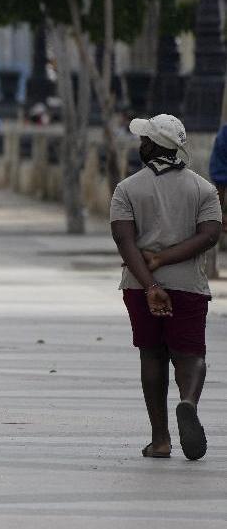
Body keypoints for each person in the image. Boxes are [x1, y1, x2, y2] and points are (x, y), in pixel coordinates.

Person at [111, 114, 221, 461]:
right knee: (191, 355)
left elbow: (124, 240)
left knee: (152, 354)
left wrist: (149, 281)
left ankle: (160, 440)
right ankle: (187, 400)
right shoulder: (203, 189)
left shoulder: (127, 188)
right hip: (188, 285)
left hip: (140, 286)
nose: (140, 144)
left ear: (150, 146)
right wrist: (167, 259)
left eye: (144, 139)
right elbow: (210, 235)